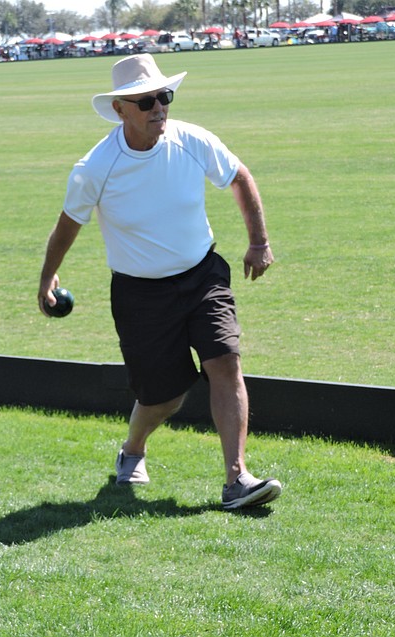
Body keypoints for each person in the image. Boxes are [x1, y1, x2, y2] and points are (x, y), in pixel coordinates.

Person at [37, 54, 282, 510]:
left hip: (203, 274)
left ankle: (236, 479)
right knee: (163, 397)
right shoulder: (95, 167)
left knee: (224, 362)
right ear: (120, 110)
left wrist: (259, 242)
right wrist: (47, 276)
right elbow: (69, 224)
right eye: (146, 100)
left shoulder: (191, 139)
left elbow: (239, 177)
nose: (158, 107)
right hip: (140, 294)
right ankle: (133, 450)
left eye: (163, 96)